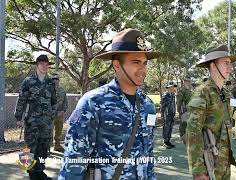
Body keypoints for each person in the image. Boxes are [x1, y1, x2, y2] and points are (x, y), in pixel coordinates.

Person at [59, 29, 160, 179]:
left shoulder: (148, 105)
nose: (143, 69)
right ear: (117, 65)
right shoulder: (93, 103)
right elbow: (74, 162)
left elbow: (148, 153)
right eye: (136, 62)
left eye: (145, 63)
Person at [186, 45, 236, 180]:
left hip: (224, 162)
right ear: (213, 65)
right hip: (208, 164)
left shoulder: (226, 95)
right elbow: (193, 132)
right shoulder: (202, 93)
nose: (230, 67)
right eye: (225, 63)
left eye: (230, 63)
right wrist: (198, 169)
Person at [15, 54, 56, 180]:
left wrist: (51, 118)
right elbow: (22, 100)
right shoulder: (28, 82)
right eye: (42, 64)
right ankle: (31, 173)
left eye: (46, 64)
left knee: (44, 149)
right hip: (32, 122)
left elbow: (53, 102)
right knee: (30, 148)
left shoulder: (50, 83)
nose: (45, 66)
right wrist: (18, 117)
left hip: (46, 123)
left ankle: (40, 171)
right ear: (37, 65)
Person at [51, 73, 68, 152]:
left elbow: (65, 102)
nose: (55, 81)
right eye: (53, 79)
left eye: (56, 79)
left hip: (59, 114)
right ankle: (47, 148)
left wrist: (63, 111)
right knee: (48, 131)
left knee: (59, 130)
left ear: (59, 80)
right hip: (49, 115)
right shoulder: (48, 90)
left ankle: (57, 146)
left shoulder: (62, 91)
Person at [161, 81, 177, 149]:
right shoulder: (166, 95)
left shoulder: (173, 95)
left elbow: (173, 105)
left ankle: (168, 141)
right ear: (169, 88)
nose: (173, 88)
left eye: (174, 87)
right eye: (172, 87)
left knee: (170, 128)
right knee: (166, 128)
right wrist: (163, 115)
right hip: (167, 115)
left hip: (172, 114)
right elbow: (162, 106)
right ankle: (165, 141)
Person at [177, 76, 193, 143]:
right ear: (184, 82)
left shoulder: (190, 90)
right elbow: (179, 102)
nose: (188, 82)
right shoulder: (182, 90)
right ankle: (182, 137)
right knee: (183, 124)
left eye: (189, 81)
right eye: (186, 81)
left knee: (188, 124)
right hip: (184, 110)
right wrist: (180, 111)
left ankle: (187, 137)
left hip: (190, 110)